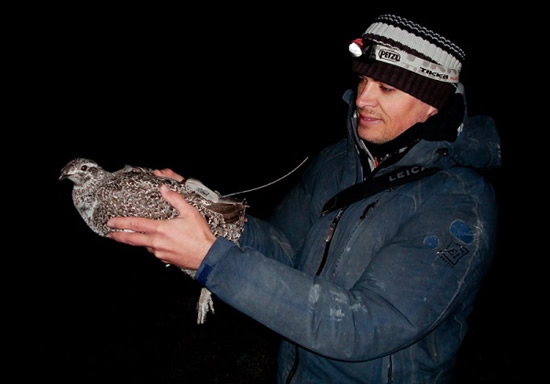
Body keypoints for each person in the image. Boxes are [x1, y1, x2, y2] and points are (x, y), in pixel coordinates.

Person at [107, 13, 501, 384]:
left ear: (432, 105)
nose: (362, 98)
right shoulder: (338, 161)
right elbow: (284, 248)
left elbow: (364, 327)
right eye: (363, 79)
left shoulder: (459, 205)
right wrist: (210, 218)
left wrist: (212, 260)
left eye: (387, 88)